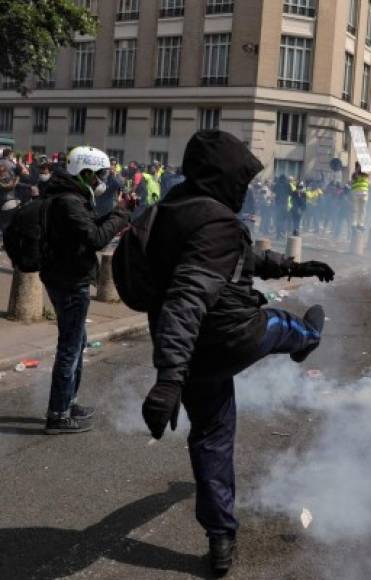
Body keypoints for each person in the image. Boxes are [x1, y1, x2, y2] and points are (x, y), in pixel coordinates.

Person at [139, 130, 335, 576]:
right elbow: (187, 297)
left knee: (211, 438)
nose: (244, 188)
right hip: (231, 336)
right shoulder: (217, 223)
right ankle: (308, 339)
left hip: (195, 357)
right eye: (240, 178)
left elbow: (239, 260)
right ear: (223, 176)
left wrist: (293, 265)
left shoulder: (169, 212)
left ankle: (220, 537)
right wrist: (167, 379)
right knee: (283, 323)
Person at [40, 147, 133, 434]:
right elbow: (95, 238)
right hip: (70, 280)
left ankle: (69, 402)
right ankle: (58, 414)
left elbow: (88, 228)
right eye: (101, 174)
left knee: (77, 343)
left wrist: (117, 213)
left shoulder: (70, 196)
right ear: (87, 173)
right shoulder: (68, 200)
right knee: (69, 348)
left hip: (66, 276)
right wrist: (121, 215)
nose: (104, 179)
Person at [350, 161, 369, 230]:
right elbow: (352, 182)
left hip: (364, 193)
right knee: (355, 209)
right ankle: (354, 223)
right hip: (356, 193)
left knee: (362, 210)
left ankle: (360, 224)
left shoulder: (365, 174)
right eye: (359, 166)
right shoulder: (354, 175)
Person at [273, 174, 291, 238]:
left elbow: (273, 192)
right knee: (283, 220)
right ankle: (282, 233)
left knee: (278, 219)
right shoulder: (288, 185)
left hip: (277, 205)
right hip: (284, 205)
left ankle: (278, 234)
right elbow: (290, 193)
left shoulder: (277, 184)